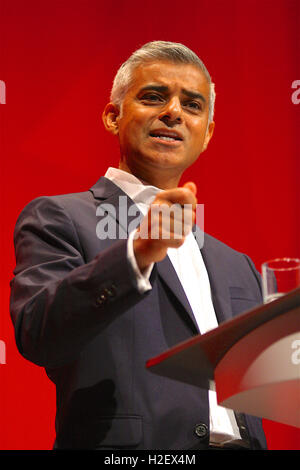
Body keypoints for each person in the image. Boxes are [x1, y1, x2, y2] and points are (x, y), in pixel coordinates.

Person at [10, 41, 267, 450]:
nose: (174, 112)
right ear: (113, 117)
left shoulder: (239, 265)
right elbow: (39, 334)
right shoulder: (59, 218)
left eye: (193, 105)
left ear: (207, 135)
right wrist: (137, 255)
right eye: (154, 97)